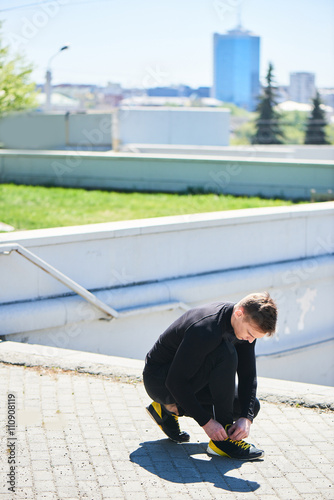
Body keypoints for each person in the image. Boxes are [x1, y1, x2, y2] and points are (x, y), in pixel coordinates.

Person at [143, 292, 277, 460]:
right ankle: (221, 443)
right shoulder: (207, 329)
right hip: (160, 381)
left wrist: (246, 417)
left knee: (249, 406)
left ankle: (164, 410)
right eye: (250, 334)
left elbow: (248, 374)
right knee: (225, 353)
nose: (250, 341)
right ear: (239, 313)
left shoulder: (244, 326)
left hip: (189, 379)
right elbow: (175, 381)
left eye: (255, 338)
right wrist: (206, 422)